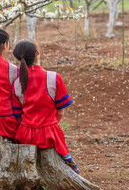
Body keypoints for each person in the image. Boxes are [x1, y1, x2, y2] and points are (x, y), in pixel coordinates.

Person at [12, 39, 80, 174]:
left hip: (25, 134)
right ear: (38, 53)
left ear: (19, 59)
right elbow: (61, 111)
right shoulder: (54, 78)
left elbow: (18, 116)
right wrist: (49, 125)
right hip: (50, 134)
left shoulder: (16, 83)